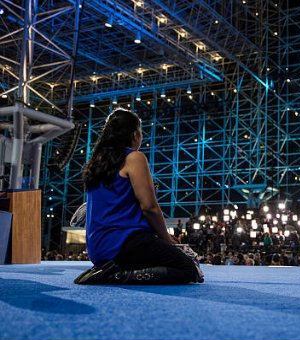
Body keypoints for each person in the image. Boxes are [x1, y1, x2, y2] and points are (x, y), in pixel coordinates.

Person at [74, 109, 203, 285]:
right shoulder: (134, 158)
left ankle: (111, 270)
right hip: (123, 243)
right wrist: (166, 238)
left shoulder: (97, 163)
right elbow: (149, 207)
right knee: (188, 269)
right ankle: (114, 275)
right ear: (135, 135)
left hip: (98, 248)